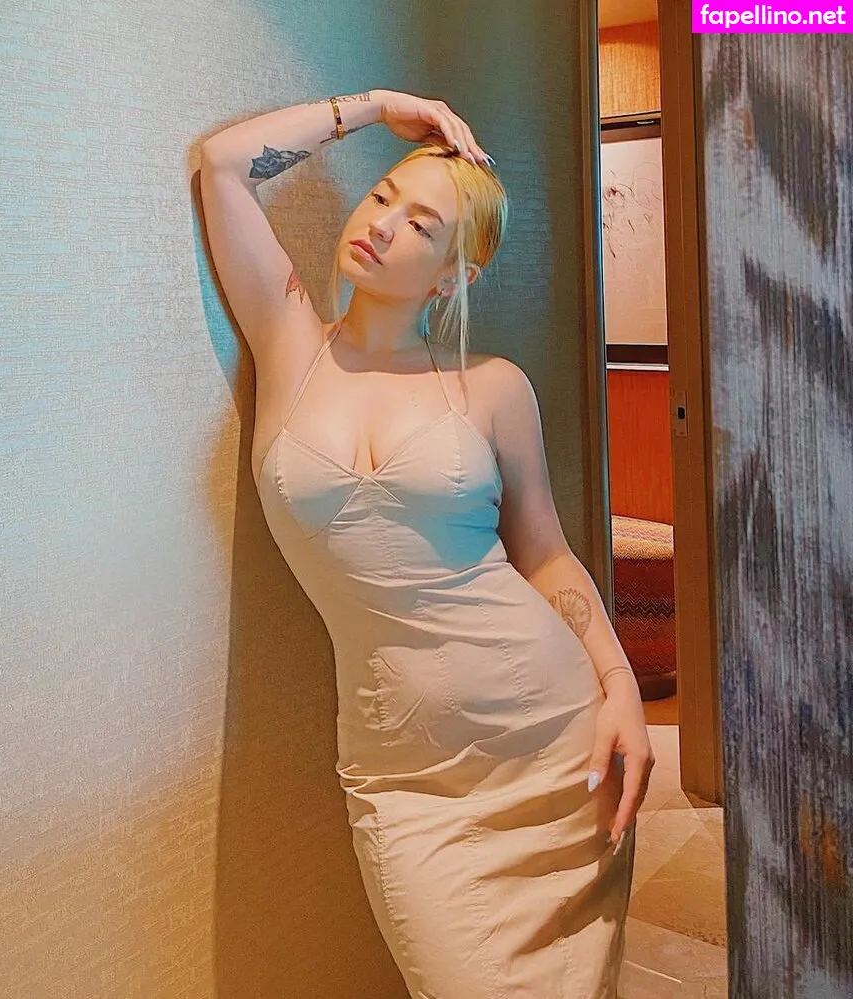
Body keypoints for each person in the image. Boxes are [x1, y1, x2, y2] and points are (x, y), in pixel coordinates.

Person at [198, 88, 654, 998]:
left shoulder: (492, 387)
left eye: (420, 224)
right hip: (406, 775)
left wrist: (621, 685)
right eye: (381, 197)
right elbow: (221, 165)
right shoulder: (291, 346)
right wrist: (379, 107)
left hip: (551, 739)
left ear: (452, 276)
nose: (380, 223)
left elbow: (545, 554)